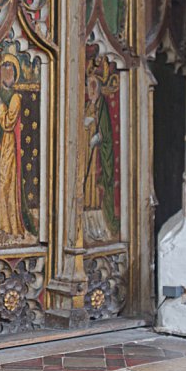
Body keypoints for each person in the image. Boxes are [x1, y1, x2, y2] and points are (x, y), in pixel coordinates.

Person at [0, 54, 36, 240]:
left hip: (8, 143)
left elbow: (9, 122)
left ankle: (8, 226)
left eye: (10, 70)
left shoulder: (15, 97)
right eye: (3, 70)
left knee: (6, 182)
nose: (6, 73)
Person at [82, 66, 118, 241]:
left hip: (97, 154)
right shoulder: (89, 105)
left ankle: (97, 224)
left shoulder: (102, 105)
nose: (91, 90)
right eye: (89, 86)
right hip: (86, 151)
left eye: (93, 85)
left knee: (93, 185)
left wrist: (97, 137)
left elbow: (106, 132)